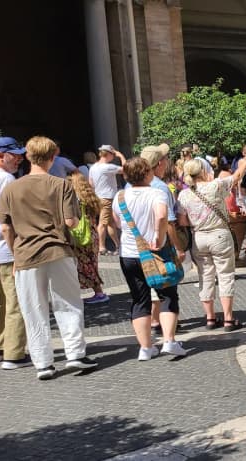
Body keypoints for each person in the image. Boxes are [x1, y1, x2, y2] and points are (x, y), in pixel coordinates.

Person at [0, 136, 98, 379]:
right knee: (68, 303)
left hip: (25, 255)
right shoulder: (61, 184)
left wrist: (15, 254)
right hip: (58, 250)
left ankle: (43, 363)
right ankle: (75, 354)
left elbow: (5, 228)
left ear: (29, 156)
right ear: (53, 157)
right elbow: (70, 221)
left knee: (33, 309)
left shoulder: (11, 187)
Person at [112, 156, 187, 360]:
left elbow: (118, 224)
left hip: (129, 253)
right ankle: (169, 341)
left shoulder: (119, 196)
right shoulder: (156, 193)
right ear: (147, 173)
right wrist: (158, 236)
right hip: (156, 252)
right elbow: (162, 216)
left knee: (139, 299)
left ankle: (145, 348)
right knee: (167, 294)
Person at [178, 156, 246, 330]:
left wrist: (198, 221)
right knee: (225, 276)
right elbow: (236, 177)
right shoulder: (215, 186)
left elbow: (182, 222)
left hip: (199, 237)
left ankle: (210, 318)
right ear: (203, 171)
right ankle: (228, 319)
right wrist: (245, 164)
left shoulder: (184, 194)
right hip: (219, 234)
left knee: (205, 276)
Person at [134, 144, 189, 332]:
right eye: (165, 159)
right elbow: (169, 222)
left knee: (143, 293)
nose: (167, 162)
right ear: (159, 163)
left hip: (134, 247)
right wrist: (178, 248)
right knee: (167, 289)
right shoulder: (160, 188)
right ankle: (167, 331)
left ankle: (153, 326)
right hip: (159, 244)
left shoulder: (127, 188)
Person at [0, 137, 28, 370]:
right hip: (5, 251)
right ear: (1, 156)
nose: (19, 158)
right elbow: (8, 223)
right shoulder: (7, 179)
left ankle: (1, 346)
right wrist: (16, 250)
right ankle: (14, 353)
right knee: (15, 303)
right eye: (15, 154)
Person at [67, 171, 109, 304]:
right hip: (92, 234)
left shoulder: (76, 201)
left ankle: (99, 292)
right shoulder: (91, 198)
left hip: (81, 236)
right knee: (92, 263)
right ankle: (98, 292)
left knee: (84, 265)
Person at [89, 145, 126, 255]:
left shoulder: (93, 167)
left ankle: (118, 245)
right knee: (103, 223)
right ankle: (101, 247)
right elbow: (127, 169)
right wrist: (121, 156)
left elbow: (91, 184)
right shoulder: (108, 167)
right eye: (113, 154)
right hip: (108, 198)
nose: (114, 156)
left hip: (99, 197)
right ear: (108, 154)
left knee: (110, 223)